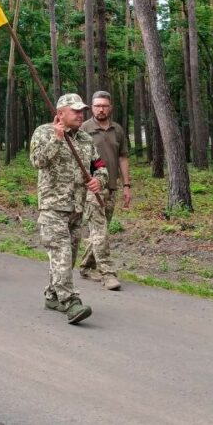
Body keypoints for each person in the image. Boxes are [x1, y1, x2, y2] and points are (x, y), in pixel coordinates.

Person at [30, 94, 107, 325]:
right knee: (61, 254)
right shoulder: (44, 132)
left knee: (68, 257)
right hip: (53, 206)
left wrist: (99, 181)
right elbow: (37, 161)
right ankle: (70, 301)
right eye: (74, 110)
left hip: (76, 207)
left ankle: (53, 295)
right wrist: (57, 139)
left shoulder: (85, 138)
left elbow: (99, 166)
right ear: (60, 112)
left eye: (81, 110)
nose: (80, 114)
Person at [78, 90, 131, 291]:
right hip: (91, 188)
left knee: (101, 230)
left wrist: (126, 185)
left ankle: (85, 266)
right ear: (92, 108)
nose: (101, 109)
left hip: (111, 187)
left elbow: (123, 157)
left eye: (104, 106)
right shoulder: (83, 129)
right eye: (97, 105)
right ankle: (107, 273)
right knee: (100, 231)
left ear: (110, 108)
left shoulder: (117, 130)